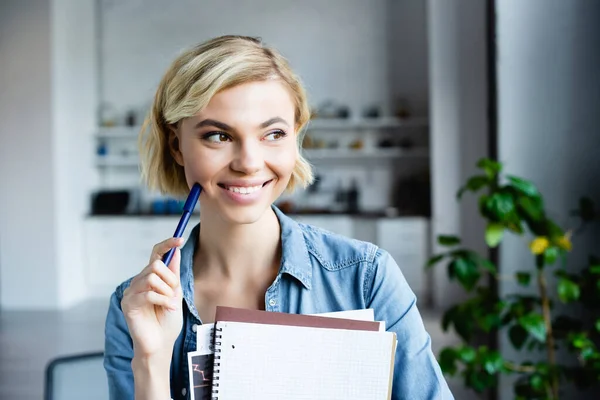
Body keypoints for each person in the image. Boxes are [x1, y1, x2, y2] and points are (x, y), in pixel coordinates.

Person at [104, 35, 453, 400]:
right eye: (219, 136)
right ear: (177, 145)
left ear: (295, 138)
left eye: (273, 133)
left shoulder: (367, 279)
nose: (249, 163)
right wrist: (152, 362)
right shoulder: (136, 307)